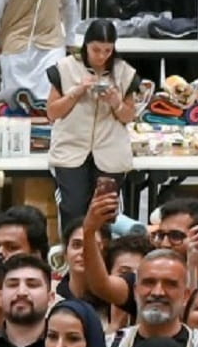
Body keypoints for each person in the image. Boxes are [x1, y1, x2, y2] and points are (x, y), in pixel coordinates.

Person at [45, 22, 138, 222]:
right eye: (96, 50)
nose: (101, 56)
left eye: (107, 50)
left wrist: (116, 103)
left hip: (110, 151)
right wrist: (76, 92)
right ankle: (73, 242)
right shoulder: (65, 68)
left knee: (106, 212)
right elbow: (52, 112)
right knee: (73, 208)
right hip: (70, 149)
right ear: (86, 44)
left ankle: (104, 243)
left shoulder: (124, 72)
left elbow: (129, 116)